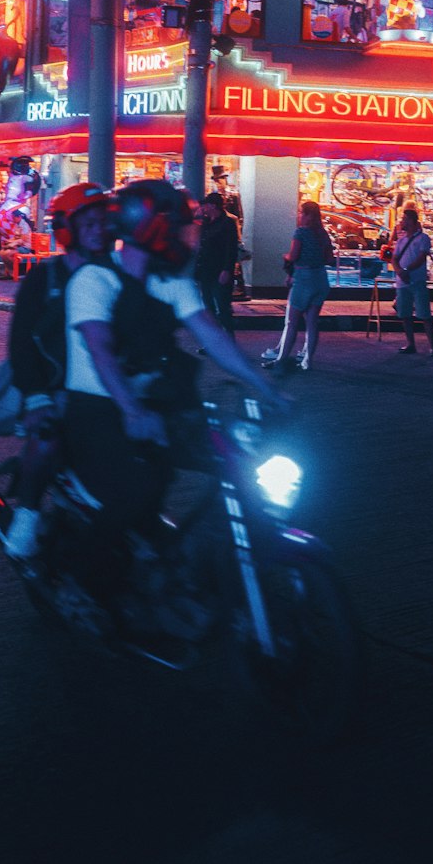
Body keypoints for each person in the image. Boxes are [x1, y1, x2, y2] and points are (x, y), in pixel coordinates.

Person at [63, 179, 286, 601]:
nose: (191, 234)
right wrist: (130, 409)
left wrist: (265, 384)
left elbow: (214, 337)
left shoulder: (171, 283)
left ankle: (195, 565)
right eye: (182, 225)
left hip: (158, 404)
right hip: (99, 411)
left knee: (237, 466)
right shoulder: (95, 280)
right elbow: (100, 352)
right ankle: (89, 586)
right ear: (149, 227)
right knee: (138, 489)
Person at [2, 183, 115, 559]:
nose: (100, 229)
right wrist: (36, 398)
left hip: (106, 391)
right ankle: (28, 514)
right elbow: (21, 343)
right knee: (47, 440)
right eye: (90, 222)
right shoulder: (45, 278)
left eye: (105, 221)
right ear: (68, 227)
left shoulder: (118, 277)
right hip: (53, 391)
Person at [266, 199, 333, 376]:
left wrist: (286, 256)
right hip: (320, 278)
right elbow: (329, 259)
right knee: (312, 323)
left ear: (308, 216)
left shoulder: (301, 233)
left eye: (302, 212)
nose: (299, 215)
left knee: (292, 322)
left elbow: (294, 255)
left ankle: (281, 360)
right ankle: (308, 360)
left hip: (304, 279)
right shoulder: (323, 234)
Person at [393, 205, 433, 358]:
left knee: (424, 314)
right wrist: (399, 271)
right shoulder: (401, 241)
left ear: (412, 221)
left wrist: (405, 271)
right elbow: (394, 258)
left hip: (417, 280)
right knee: (405, 314)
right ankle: (410, 343)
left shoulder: (423, 238)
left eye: (404, 219)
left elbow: (421, 258)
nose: (402, 222)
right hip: (403, 281)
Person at [194, 191, 238, 334]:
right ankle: (215, 339)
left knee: (222, 306)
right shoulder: (206, 223)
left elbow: (231, 248)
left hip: (219, 270)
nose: (204, 208)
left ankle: (229, 339)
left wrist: (227, 269)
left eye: (206, 205)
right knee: (208, 306)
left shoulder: (227, 223)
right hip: (205, 270)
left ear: (213, 206)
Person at [0, 209, 34, 278]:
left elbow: (23, 240)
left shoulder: (24, 226)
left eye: (14, 217)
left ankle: (14, 272)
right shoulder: (17, 225)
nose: (13, 219)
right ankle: (9, 272)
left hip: (25, 248)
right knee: (1, 253)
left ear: (19, 217)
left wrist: (12, 244)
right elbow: (15, 237)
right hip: (18, 246)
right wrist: (9, 241)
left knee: (7, 253)